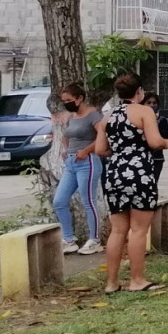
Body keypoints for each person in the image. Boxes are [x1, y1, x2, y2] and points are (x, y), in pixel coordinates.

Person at [95, 73, 168, 293]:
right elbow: (154, 142)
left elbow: (100, 150)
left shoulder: (108, 116)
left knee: (118, 230)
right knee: (138, 230)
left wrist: (119, 152)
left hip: (114, 174)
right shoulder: (145, 111)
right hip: (139, 173)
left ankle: (111, 282)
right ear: (140, 91)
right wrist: (166, 142)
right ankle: (137, 280)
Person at [53, 83, 104, 255]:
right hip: (71, 162)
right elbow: (67, 135)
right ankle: (68, 239)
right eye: (64, 101)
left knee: (88, 200)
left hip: (88, 161)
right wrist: (66, 151)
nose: (66, 103)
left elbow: (103, 137)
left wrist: (86, 150)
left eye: (69, 100)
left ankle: (95, 239)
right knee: (59, 201)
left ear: (80, 98)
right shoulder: (72, 116)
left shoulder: (93, 115)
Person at [142, 92, 168, 183]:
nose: (152, 105)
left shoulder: (162, 120)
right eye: (149, 102)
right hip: (142, 158)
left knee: (154, 183)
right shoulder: (137, 120)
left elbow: (166, 135)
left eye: (154, 103)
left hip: (157, 158)